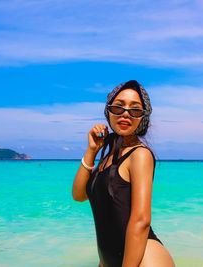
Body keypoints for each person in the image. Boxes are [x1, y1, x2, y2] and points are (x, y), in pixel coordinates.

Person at [72, 80, 175, 267]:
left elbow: (141, 220)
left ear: (143, 117)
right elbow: (79, 195)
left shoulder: (139, 155)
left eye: (135, 110)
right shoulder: (108, 156)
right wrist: (92, 150)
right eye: (118, 107)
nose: (126, 114)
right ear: (108, 112)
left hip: (144, 261)